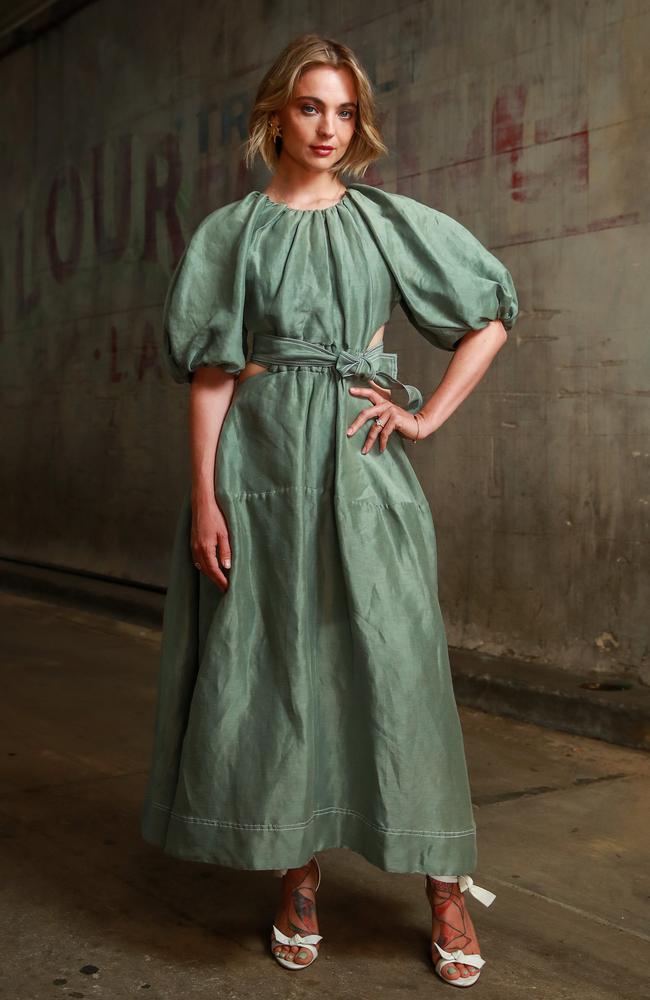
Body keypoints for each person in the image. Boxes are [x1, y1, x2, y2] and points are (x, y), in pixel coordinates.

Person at [140, 32, 518, 988]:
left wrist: (425, 415)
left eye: (344, 111)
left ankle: (442, 885)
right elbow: (213, 376)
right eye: (311, 106)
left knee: (398, 668)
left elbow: (492, 313)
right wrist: (204, 498)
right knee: (276, 670)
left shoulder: (385, 221)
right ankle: (296, 878)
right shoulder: (232, 233)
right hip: (260, 473)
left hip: (362, 470)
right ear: (277, 113)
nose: (328, 127)